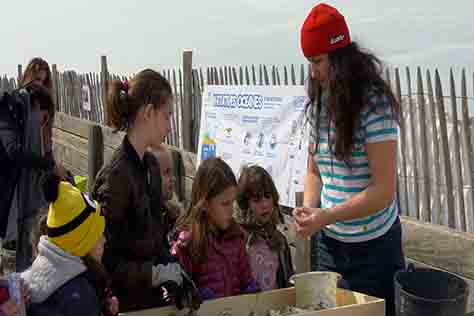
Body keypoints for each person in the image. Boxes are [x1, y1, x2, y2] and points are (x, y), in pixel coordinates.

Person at [294, 4, 405, 316]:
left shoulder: (374, 104)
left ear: (340, 58)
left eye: (317, 61)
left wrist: (326, 216)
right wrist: (312, 209)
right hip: (331, 247)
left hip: (375, 250)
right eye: (309, 63)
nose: (312, 71)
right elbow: (314, 171)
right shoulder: (319, 102)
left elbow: (383, 191)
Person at [92, 70, 197, 312]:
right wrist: (154, 274)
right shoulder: (116, 177)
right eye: (168, 115)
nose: (170, 127)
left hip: (150, 301)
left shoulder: (150, 165)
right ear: (149, 113)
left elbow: (155, 237)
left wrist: (173, 270)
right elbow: (103, 258)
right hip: (121, 305)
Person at [172, 157, 259, 300]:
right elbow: (171, 292)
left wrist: (251, 288)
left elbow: (245, 278)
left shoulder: (236, 238)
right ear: (205, 204)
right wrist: (192, 296)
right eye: (225, 204)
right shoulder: (188, 243)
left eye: (233, 202)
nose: (231, 210)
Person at [23, 173, 109, 316]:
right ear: (81, 245)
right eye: (98, 235)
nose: (104, 240)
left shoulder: (40, 274)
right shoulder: (80, 298)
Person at [0, 83, 63, 271]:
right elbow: (14, 151)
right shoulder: (8, 112)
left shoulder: (19, 113)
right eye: (43, 119)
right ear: (35, 106)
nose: (41, 125)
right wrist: (50, 165)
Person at [26, 211, 119, 316]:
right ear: (80, 242)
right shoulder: (78, 294)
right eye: (98, 234)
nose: (104, 240)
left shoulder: (31, 284)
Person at [236, 165, 294, 291]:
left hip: (275, 308)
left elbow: (288, 283)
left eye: (268, 196)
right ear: (245, 204)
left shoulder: (280, 241)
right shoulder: (239, 240)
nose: (265, 204)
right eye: (257, 200)